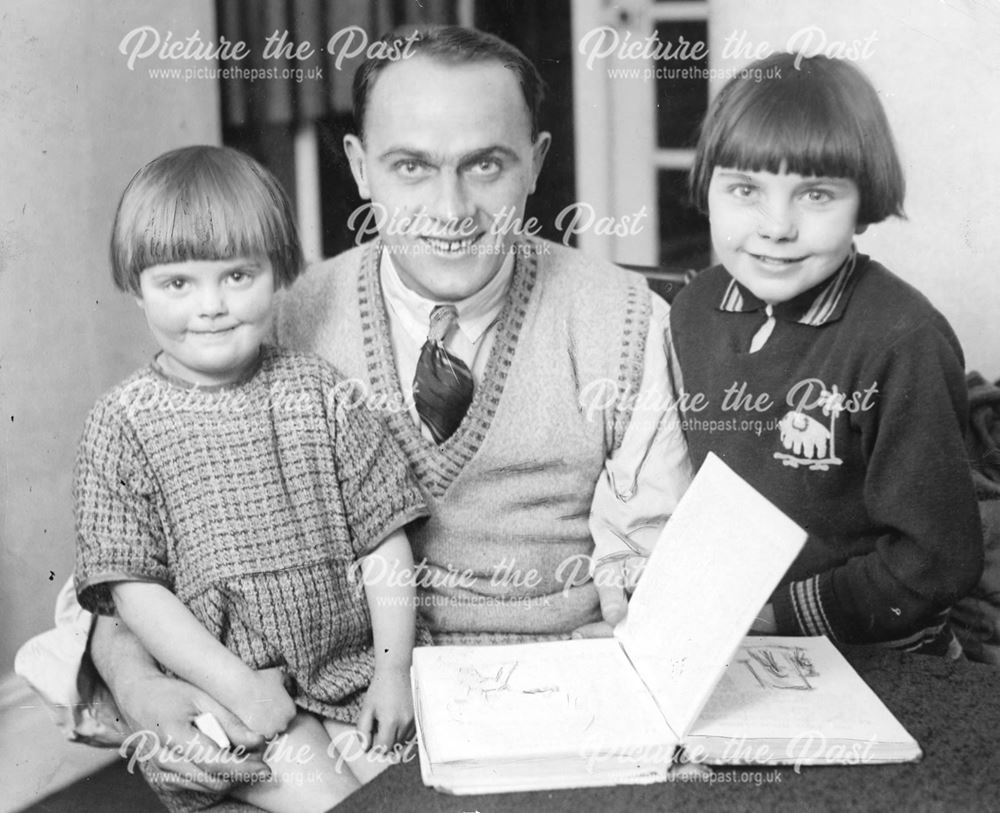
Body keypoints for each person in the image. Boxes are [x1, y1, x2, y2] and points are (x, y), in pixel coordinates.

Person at [42, 25, 691, 802]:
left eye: (485, 164)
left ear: (537, 163)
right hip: (333, 697)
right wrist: (136, 682)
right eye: (411, 166)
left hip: (548, 692)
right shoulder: (275, 321)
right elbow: (132, 563)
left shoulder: (621, 318)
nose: (450, 209)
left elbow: (656, 576)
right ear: (359, 168)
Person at [74, 145, 429, 811]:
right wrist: (237, 685)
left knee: (408, 794)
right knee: (336, 800)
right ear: (136, 285)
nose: (210, 305)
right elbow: (133, 589)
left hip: (349, 676)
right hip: (227, 696)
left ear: (278, 272)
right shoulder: (122, 423)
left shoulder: (321, 392)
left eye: (238, 274)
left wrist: (393, 669)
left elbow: (385, 541)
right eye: (177, 283)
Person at [669, 52, 983, 653]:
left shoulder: (901, 339)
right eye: (745, 189)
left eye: (815, 195)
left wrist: (774, 616)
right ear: (707, 190)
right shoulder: (691, 311)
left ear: (863, 201)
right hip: (726, 632)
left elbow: (937, 558)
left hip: (874, 646)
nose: (777, 226)